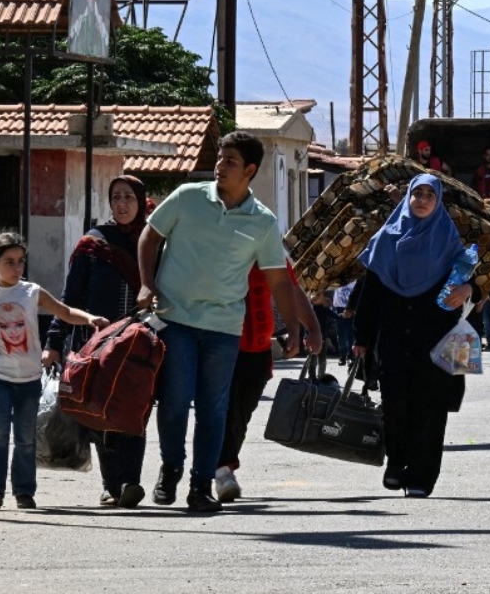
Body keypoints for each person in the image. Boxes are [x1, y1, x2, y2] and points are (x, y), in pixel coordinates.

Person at [137, 131, 305, 513]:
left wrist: (293, 327)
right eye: (219, 159)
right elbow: (150, 235)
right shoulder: (188, 198)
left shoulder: (262, 221)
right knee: (176, 400)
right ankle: (171, 468)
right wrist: (147, 283)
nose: (220, 166)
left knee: (215, 408)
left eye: (230, 160)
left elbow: (279, 278)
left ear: (249, 170)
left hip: (223, 327)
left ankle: (201, 486)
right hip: (174, 318)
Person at [0, 232, 108, 510]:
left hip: (29, 379)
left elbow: (64, 312)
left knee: (26, 437)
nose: (17, 268)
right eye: (9, 262)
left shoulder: (31, 292)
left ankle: (24, 492)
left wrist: (90, 318)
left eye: (21, 261)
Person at [352, 174, 474, 497]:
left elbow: (474, 284)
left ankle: (421, 476)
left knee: (430, 409)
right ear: (407, 198)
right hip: (393, 340)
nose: (421, 200)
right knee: (395, 405)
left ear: (437, 202)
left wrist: (468, 288)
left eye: (428, 196)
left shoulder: (449, 242)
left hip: (437, 340)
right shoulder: (386, 240)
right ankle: (396, 462)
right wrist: (362, 337)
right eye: (416, 194)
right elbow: (371, 292)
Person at [44, 175, 151, 508]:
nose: (122, 204)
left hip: (139, 344)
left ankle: (131, 481)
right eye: (116, 197)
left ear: (140, 201)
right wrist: (54, 342)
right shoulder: (92, 244)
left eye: (129, 198)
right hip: (96, 345)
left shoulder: (153, 243)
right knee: (101, 412)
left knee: (135, 410)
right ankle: (111, 485)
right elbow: (69, 297)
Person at [215, 264, 321, 503]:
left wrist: (312, 328)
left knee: (241, 414)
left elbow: (290, 288)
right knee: (225, 410)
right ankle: (221, 470)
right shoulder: (219, 239)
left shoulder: (270, 249)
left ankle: (224, 467)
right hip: (220, 343)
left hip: (258, 348)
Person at [333, 279, 359, 366]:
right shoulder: (339, 277)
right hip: (340, 307)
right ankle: (342, 355)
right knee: (341, 334)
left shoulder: (357, 278)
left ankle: (351, 356)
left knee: (352, 333)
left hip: (353, 307)